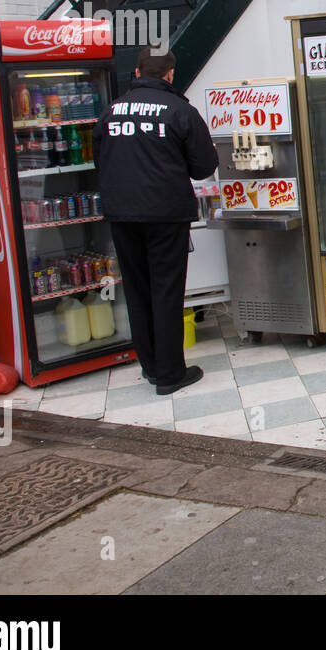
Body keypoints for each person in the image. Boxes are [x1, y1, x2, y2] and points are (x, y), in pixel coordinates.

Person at [94, 48, 218, 395]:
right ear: (170, 74)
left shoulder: (111, 111)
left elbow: (99, 161)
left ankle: (149, 365)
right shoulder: (180, 110)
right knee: (166, 289)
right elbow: (204, 165)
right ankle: (169, 374)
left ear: (136, 72)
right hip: (165, 213)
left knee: (137, 289)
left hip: (121, 212)